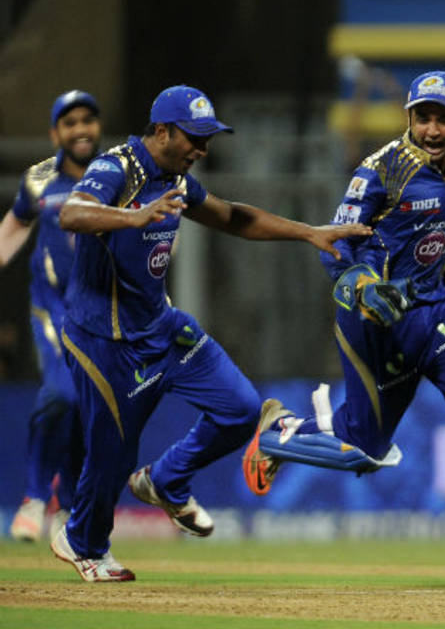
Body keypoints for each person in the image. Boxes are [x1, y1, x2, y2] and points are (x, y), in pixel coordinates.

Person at [241, 71, 445, 580]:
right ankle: (280, 433)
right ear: (409, 117)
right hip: (376, 322)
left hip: (438, 312)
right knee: (361, 450)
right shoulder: (379, 171)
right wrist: (367, 288)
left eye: (443, 119)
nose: (432, 130)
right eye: (423, 117)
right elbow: (337, 246)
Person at [51, 85, 369, 582]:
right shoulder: (119, 168)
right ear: (161, 131)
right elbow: (71, 211)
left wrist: (309, 232)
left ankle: (165, 480)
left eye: (208, 139)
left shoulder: (177, 178)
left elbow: (233, 217)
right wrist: (131, 216)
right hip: (102, 340)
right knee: (111, 455)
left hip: (162, 325)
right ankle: (82, 542)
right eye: (194, 138)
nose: (202, 149)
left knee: (241, 409)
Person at [0, 90, 101, 541]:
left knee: (87, 408)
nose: (81, 129)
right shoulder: (40, 178)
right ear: (54, 133)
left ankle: (70, 506)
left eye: (88, 120)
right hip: (53, 305)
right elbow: (16, 224)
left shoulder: (116, 174)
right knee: (62, 394)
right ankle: (36, 496)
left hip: (101, 309)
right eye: (70, 122)